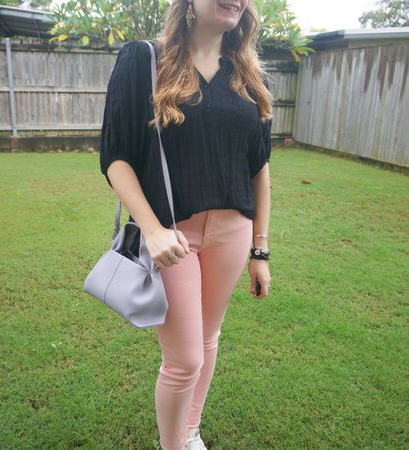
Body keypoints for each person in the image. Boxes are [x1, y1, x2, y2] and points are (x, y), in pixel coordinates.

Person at [99, 1, 273, 449]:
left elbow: (260, 170)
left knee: (209, 339)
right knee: (184, 361)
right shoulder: (145, 59)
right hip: (173, 236)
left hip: (232, 234)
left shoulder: (248, 78)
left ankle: (189, 429)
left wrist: (260, 249)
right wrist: (152, 230)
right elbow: (115, 156)